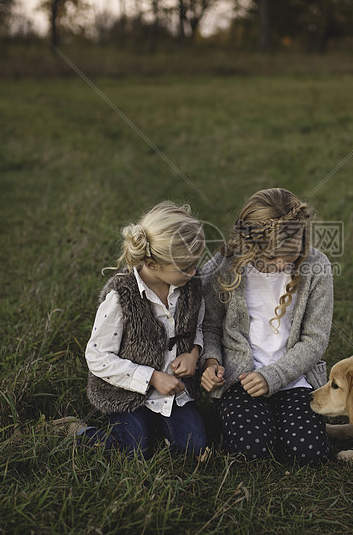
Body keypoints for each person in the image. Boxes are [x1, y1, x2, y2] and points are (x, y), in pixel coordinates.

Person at [200, 188, 333, 464]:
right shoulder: (223, 267)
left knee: (309, 454)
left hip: (294, 377)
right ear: (250, 246)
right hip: (242, 379)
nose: (283, 263)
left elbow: (314, 340)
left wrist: (273, 377)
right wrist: (211, 361)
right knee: (252, 451)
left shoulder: (317, 267)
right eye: (272, 258)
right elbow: (210, 327)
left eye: (291, 253)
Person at [72, 201, 209, 458]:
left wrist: (193, 353)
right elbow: (97, 356)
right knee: (133, 452)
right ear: (152, 263)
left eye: (195, 263)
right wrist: (152, 377)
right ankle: (80, 432)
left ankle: (161, 429)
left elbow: (197, 327)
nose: (193, 272)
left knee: (194, 450)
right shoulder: (121, 297)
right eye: (185, 267)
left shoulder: (192, 285)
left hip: (176, 393)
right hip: (129, 393)